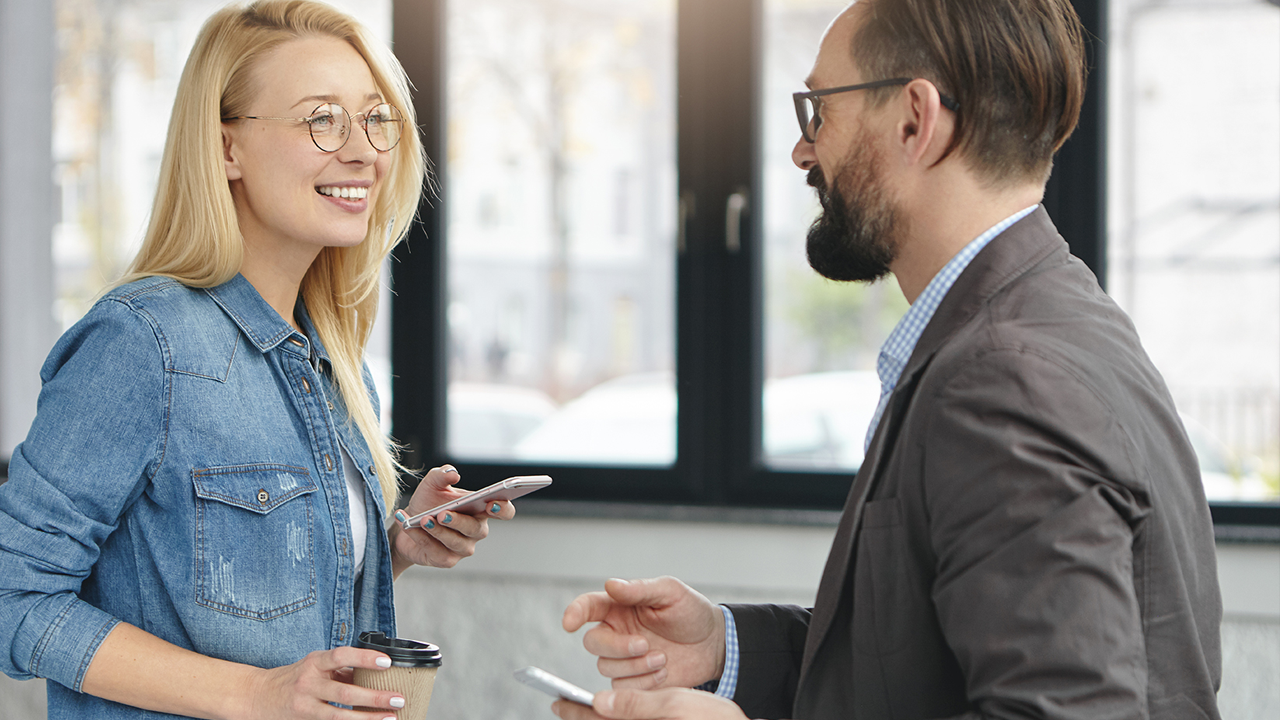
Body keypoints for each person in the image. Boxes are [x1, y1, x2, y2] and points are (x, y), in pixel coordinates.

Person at [553, 0, 1223, 718]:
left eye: (819, 110)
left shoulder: (1006, 380)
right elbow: (923, 670)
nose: (803, 151)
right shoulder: (1052, 318)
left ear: (915, 120)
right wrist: (726, 648)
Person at [0, 2, 516, 718]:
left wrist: (397, 545)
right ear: (226, 149)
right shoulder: (142, 343)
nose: (364, 150)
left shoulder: (334, 362)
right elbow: (14, 594)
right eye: (323, 119)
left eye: (374, 118)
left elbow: (265, 587)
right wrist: (256, 693)